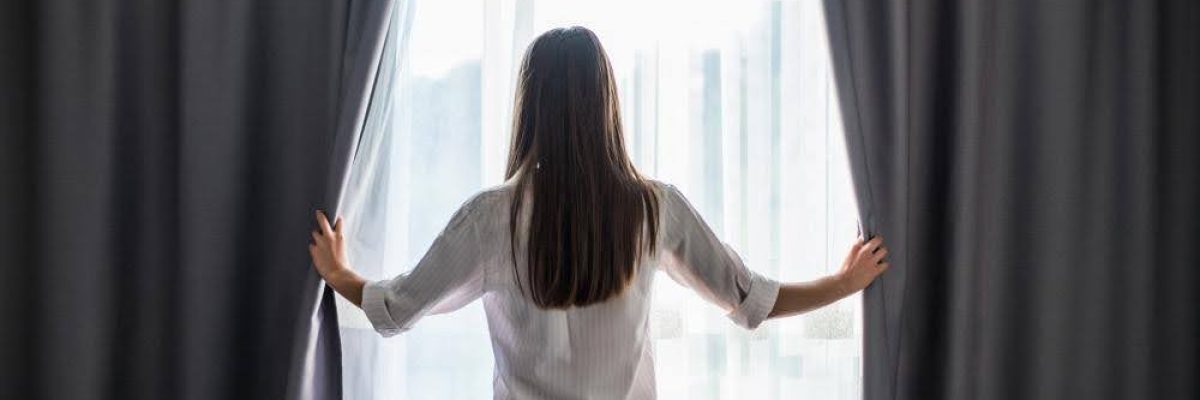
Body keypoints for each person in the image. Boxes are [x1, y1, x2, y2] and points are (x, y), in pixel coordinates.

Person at [309, 26, 889, 400]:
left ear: (529, 106)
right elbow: (751, 298)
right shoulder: (652, 209)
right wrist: (845, 282)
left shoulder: (492, 219)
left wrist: (340, 276)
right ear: (605, 105)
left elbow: (399, 307)